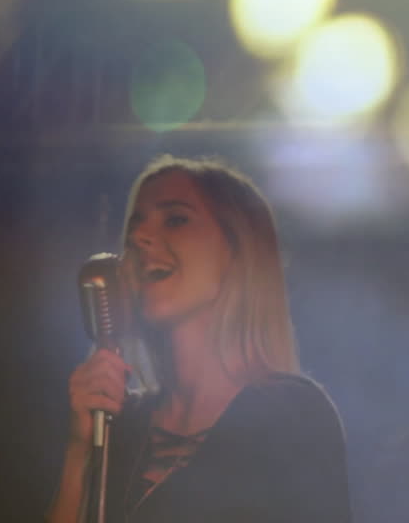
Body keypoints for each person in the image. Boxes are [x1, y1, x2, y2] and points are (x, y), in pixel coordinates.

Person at [47, 155, 352, 522]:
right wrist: (79, 451)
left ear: (236, 250)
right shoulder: (119, 423)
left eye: (176, 220)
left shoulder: (290, 414)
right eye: (135, 227)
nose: (139, 238)